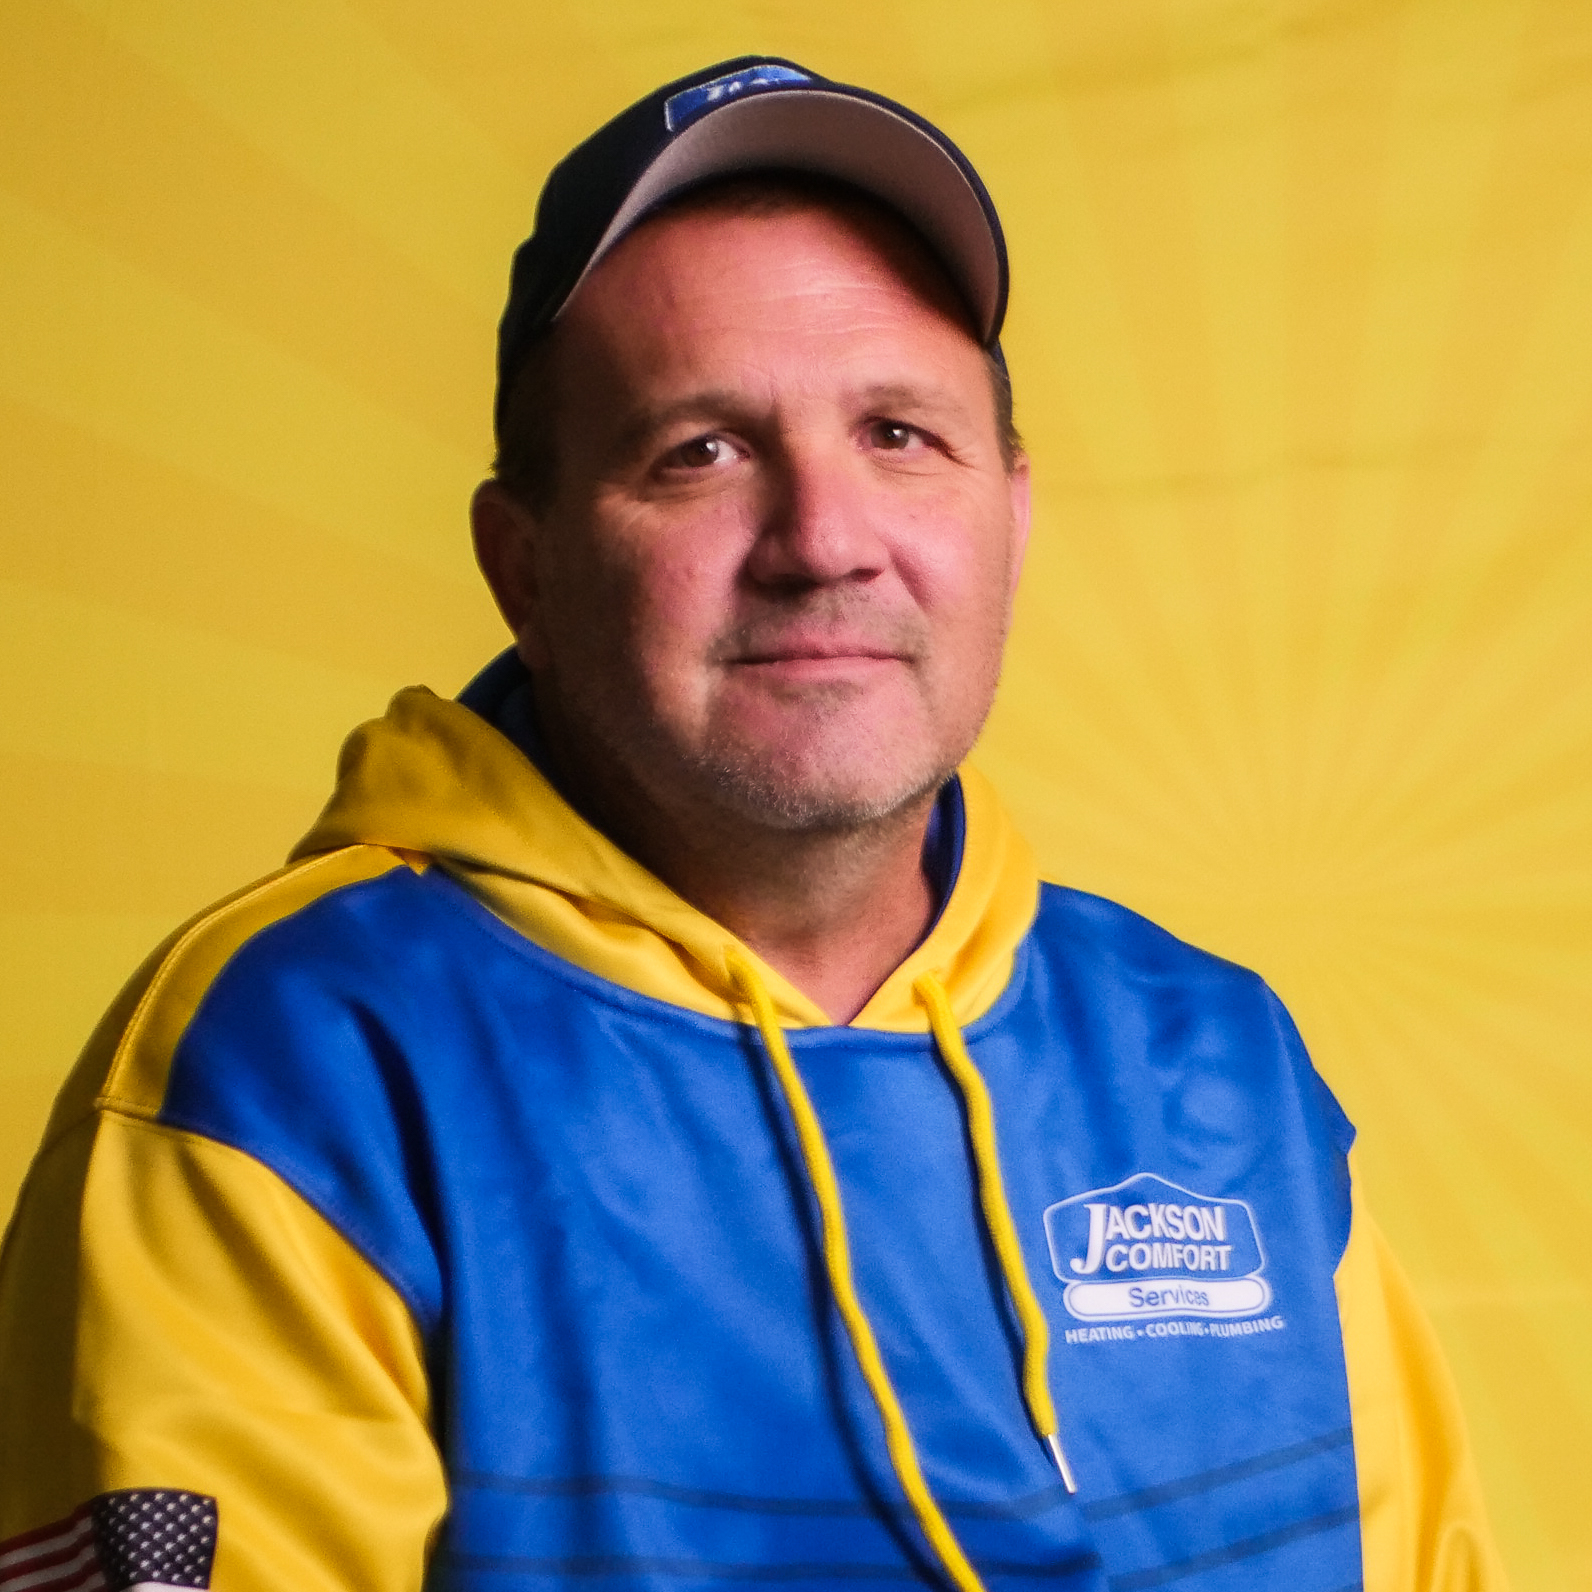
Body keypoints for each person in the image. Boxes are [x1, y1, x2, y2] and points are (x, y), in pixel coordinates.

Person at [0, 56, 1507, 1592]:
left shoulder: (1213, 1056)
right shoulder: (289, 1072)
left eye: (901, 436)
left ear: (1013, 511)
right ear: (523, 564)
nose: (826, 541)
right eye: (700, 451)